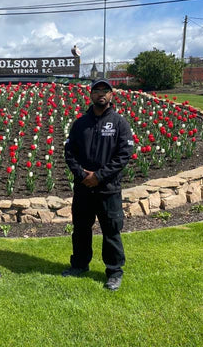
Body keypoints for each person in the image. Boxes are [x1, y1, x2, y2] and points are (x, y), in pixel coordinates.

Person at [63, 78, 134, 291]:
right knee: (81, 229)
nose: (101, 94)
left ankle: (114, 272)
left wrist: (100, 176)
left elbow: (124, 154)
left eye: (105, 90)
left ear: (111, 95)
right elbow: (69, 152)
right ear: (90, 95)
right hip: (84, 187)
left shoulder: (119, 123)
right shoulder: (80, 123)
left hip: (108, 188)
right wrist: (82, 175)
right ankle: (79, 265)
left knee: (111, 230)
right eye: (97, 90)